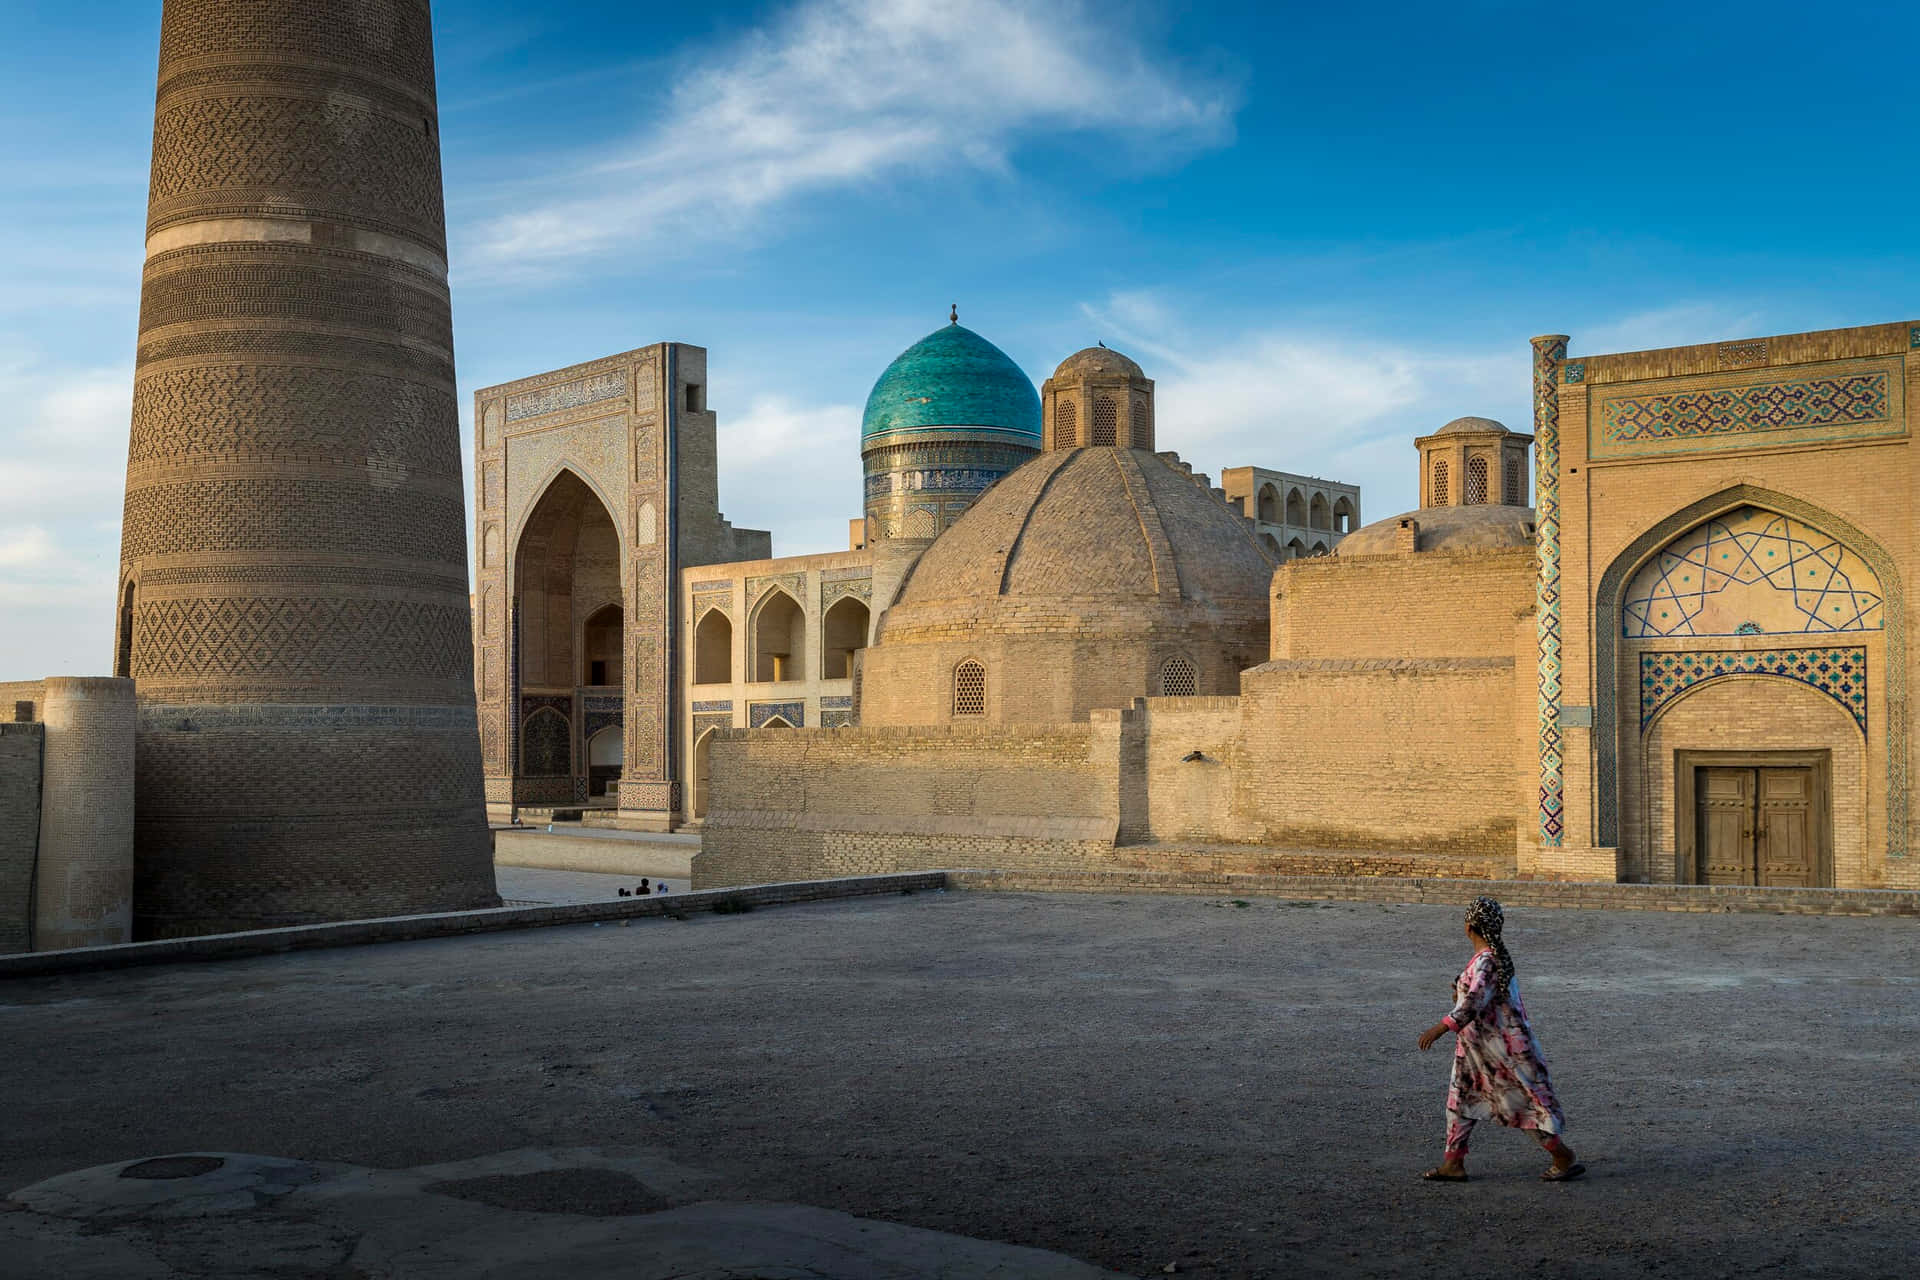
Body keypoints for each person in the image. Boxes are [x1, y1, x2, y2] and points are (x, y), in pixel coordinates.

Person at [1417, 896, 1583, 1182]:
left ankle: (1562, 1156)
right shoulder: (1488, 960)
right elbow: (1477, 999)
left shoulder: (1487, 962)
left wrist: (1439, 1028)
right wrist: (1459, 993)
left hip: (1500, 1055)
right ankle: (1453, 1164)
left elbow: (1474, 1003)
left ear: (1469, 927)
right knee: (1459, 1103)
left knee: (1519, 1106)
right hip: (1476, 1052)